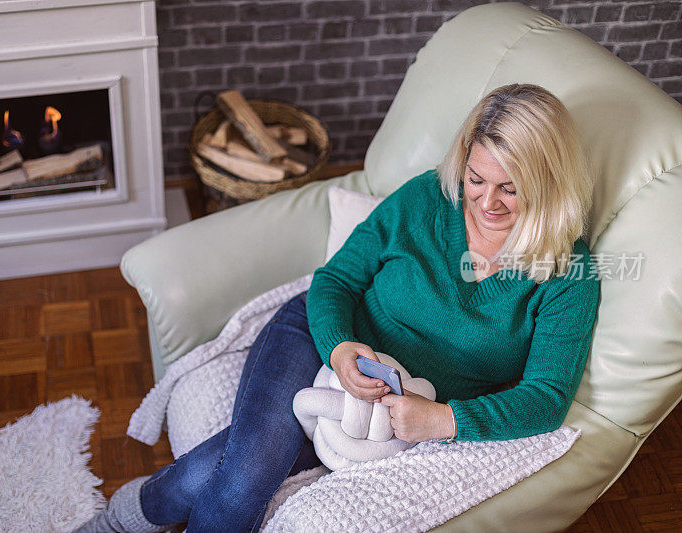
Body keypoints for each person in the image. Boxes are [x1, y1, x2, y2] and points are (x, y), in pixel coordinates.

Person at [75, 83, 601, 532]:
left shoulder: (567, 275)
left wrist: (444, 420)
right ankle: (118, 522)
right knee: (246, 472)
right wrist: (342, 347)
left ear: (549, 183)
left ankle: (125, 516)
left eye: (511, 188)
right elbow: (337, 281)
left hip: (384, 414)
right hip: (317, 337)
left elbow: (546, 397)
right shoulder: (425, 199)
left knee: (225, 464)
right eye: (476, 180)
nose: (487, 204)